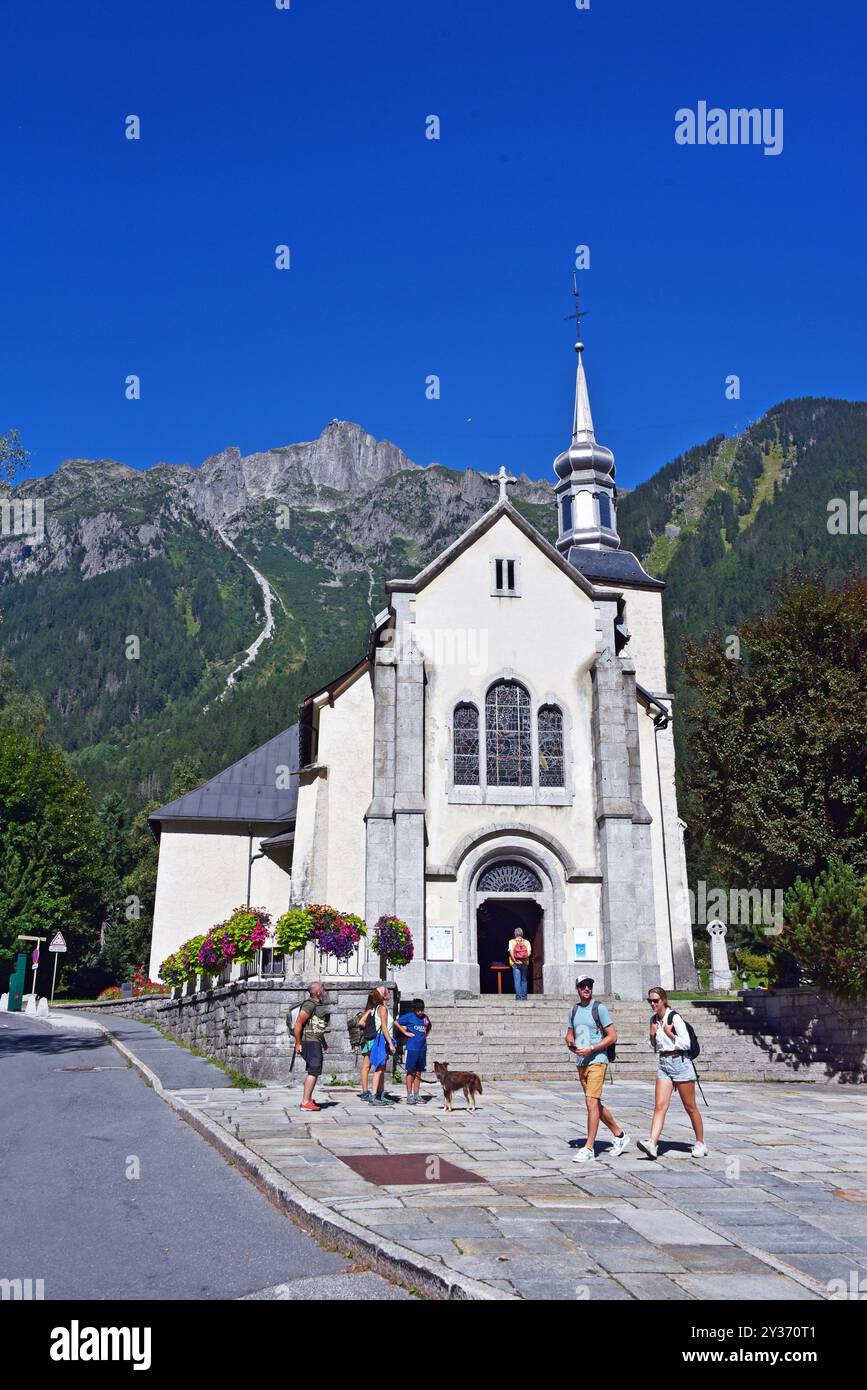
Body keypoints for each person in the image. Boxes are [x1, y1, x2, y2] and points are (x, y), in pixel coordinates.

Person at [565, 975, 630, 1163]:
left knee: (591, 1102)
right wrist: (570, 1042)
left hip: (598, 1060)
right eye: (583, 986)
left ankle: (589, 1148)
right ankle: (620, 1135)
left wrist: (592, 1048)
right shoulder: (574, 1010)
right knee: (595, 1104)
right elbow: (569, 1033)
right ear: (577, 988)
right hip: (581, 1062)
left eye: (589, 985)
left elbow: (612, 1036)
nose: (587, 988)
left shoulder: (599, 1008)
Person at [637, 987, 707, 1159]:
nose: (653, 1004)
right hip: (664, 1063)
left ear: (664, 1000)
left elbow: (686, 1043)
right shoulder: (654, 1020)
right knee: (660, 1106)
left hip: (680, 1063)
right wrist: (652, 1035)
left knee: (690, 1107)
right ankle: (652, 1143)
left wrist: (669, 1033)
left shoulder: (674, 1018)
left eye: (656, 1000)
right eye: (650, 1001)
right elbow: (655, 1046)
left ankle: (700, 1143)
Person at [293, 980, 331, 1112]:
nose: (325, 991)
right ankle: (305, 1102)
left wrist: (323, 1041)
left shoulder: (317, 1004)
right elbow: (298, 1023)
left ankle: (308, 1099)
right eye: (323, 989)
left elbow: (316, 1025)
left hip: (315, 1041)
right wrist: (298, 1043)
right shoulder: (309, 1004)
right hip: (309, 1042)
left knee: (314, 1070)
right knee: (314, 1071)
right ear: (318, 992)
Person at [368, 987, 407, 1106]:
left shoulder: (382, 1008)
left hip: (383, 1039)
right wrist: (390, 1044)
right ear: (383, 996)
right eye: (387, 992)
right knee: (379, 1068)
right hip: (382, 1040)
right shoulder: (382, 1009)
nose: (390, 993)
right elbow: (384, 1028)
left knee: (382, 1068)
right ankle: (373, 1095)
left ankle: (380, 1093)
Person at [396, 998, 432, 1105]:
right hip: (412, 1048)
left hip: (422, 1048)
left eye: (422, 1010)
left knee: (418, 1072)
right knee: (410, 1071)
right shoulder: (409, 1016)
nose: (420, 1012)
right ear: (414, 1009)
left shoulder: (425, 1018)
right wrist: (405, 1033)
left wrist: (425, 1036)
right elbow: (396, 1022)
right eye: (418, 1010)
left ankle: (417, 1094)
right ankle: (409, 1095)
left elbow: (429, 1027)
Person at [508, 926, 531, 1000]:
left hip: (515, 964)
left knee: (517, 980)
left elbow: (511, 952)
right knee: (524, 980)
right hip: (524, 963)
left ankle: (519, 997)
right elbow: (529, 953)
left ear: (515, 934)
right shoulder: (527, 942)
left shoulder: (511, 941)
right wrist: (523, 960)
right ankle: (524, 997)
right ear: (522, 933)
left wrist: (515, 960)